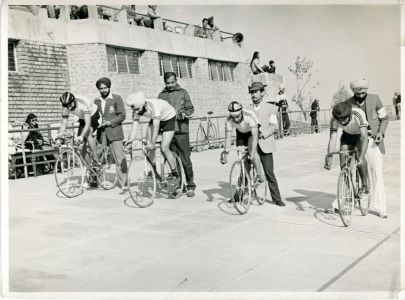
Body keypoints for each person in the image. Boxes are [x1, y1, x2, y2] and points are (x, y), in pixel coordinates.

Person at [345, 79, 389, 218]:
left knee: (377, 175)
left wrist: (381, 133)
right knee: (349, 169)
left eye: (363, 93)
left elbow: (385, 119)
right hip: (357, 141)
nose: (360, 96)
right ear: (353, 92)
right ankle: (342, 202)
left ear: (366, 91)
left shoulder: (375, 99)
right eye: (357, 94)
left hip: (373, 142)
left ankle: (381, 208)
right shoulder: (348, 103)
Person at [125, 92, 180, 186]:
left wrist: (153, 143)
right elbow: (134, 126)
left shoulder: (154, 106)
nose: (137, 112)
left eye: (138, 109)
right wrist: (130, 142)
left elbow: (156, 127)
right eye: (134, 109)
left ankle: (175, 174)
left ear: (144, 105)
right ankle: (153, 171)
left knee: (164, 148)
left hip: (168, 118)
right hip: (155, 118)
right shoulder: (137, 109)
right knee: (148, 144)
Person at [324, 102, 369, 212]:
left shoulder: (358, 114)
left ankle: (364, 186)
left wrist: (361, 156)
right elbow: (333, 139)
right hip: (347, 136)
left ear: (349, 114)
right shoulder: (335, 120)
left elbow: (364, 137)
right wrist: (329, 156)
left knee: (360, 158)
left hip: (359, 135)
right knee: (343, 162)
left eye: (344, 119)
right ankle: (349, 191)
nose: (342, 122)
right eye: (340, 120)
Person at [158, 72, 196, 197]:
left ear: (176, 80)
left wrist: (185, 113)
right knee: (173, 160)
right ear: (165, 82)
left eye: (172, 82)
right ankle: (180, 185)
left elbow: (191, 108)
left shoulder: (183, 92)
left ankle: (190, 185)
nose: (170, 85)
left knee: (185, 160)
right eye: (168, 83)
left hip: (182, 131)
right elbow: (159, 113)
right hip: (168, 132)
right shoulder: (161, 95)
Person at [247, 82, 285, 206]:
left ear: (262, 93)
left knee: (269, 171)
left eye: (256, 92)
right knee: (245, 169)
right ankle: (238, 195)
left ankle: (277, 198)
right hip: (251, 143)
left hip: (265, 144)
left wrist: (262, 134)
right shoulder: (247, 109)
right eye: (251, 92)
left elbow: (274, 127)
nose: (253, 94)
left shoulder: (270, 108)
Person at [94, 77, 128, 192]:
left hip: (114, 132)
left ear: (109, 87)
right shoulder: (96, 101)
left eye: (105, 88)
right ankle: (96, 180)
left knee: (119, 158)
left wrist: (110, 122)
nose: (103, 90)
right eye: (101, 88)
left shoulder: (116, 98)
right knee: (98, 156)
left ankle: (124, 183)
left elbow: (122, 115)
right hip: (101, 133)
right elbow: (95, 116)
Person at [220, 101, 264, 188]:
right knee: (242, 156)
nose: (235, 119)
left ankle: (259, 174)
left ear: (241, 112)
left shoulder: (249, 116)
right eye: (233, 117)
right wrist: (226, 153)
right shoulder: (228, 120)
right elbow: (228, 139)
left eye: (237, 116)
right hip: (241, 132)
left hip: (252, 132)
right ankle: (246, 180)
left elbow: (255, 137)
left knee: (252, 151)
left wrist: (253, 152)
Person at [57, 92, 100, 164]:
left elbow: (88, 124)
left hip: (93, 114)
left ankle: (96, 160)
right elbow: (64, 123)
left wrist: (81, 136)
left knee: (88, 134)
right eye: (67, 106)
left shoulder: (83, 103)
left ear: (74, 101)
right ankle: (91, 169)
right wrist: (59, 136)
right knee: (80, 145)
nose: (69, 108)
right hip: (82, 117)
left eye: (70, 105)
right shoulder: (65, 107)